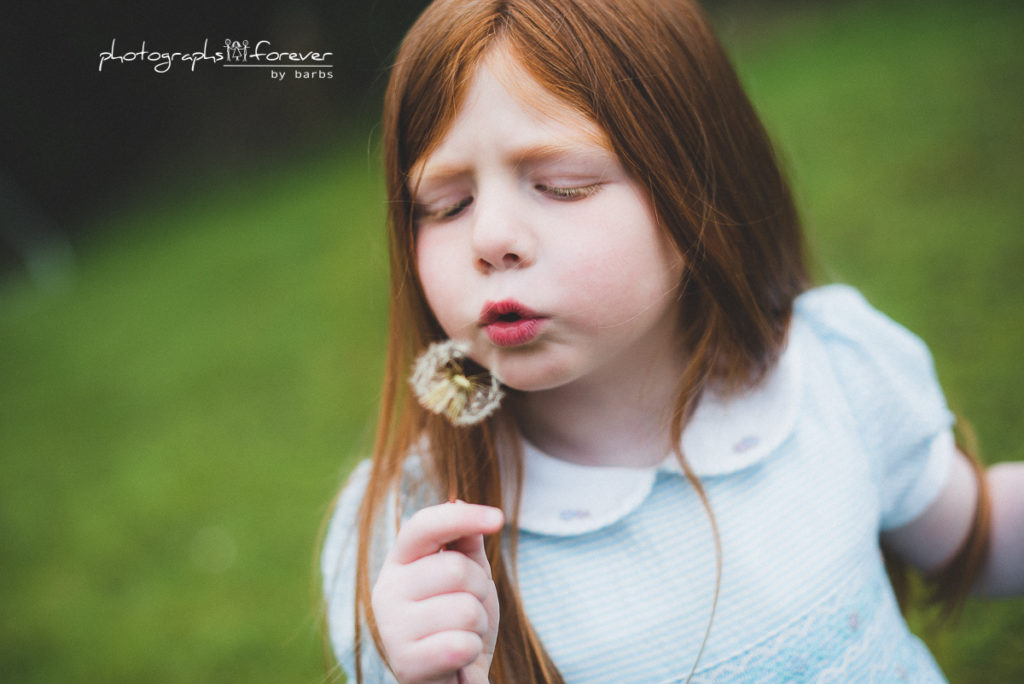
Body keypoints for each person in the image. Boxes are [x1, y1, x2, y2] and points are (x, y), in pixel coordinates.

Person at [321, 0, 1024, 681]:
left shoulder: (830, 377)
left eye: (560, 185)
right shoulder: (412, 538)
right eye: (445, 205)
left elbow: (977, 538)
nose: (491, 237)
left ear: (697, 185)